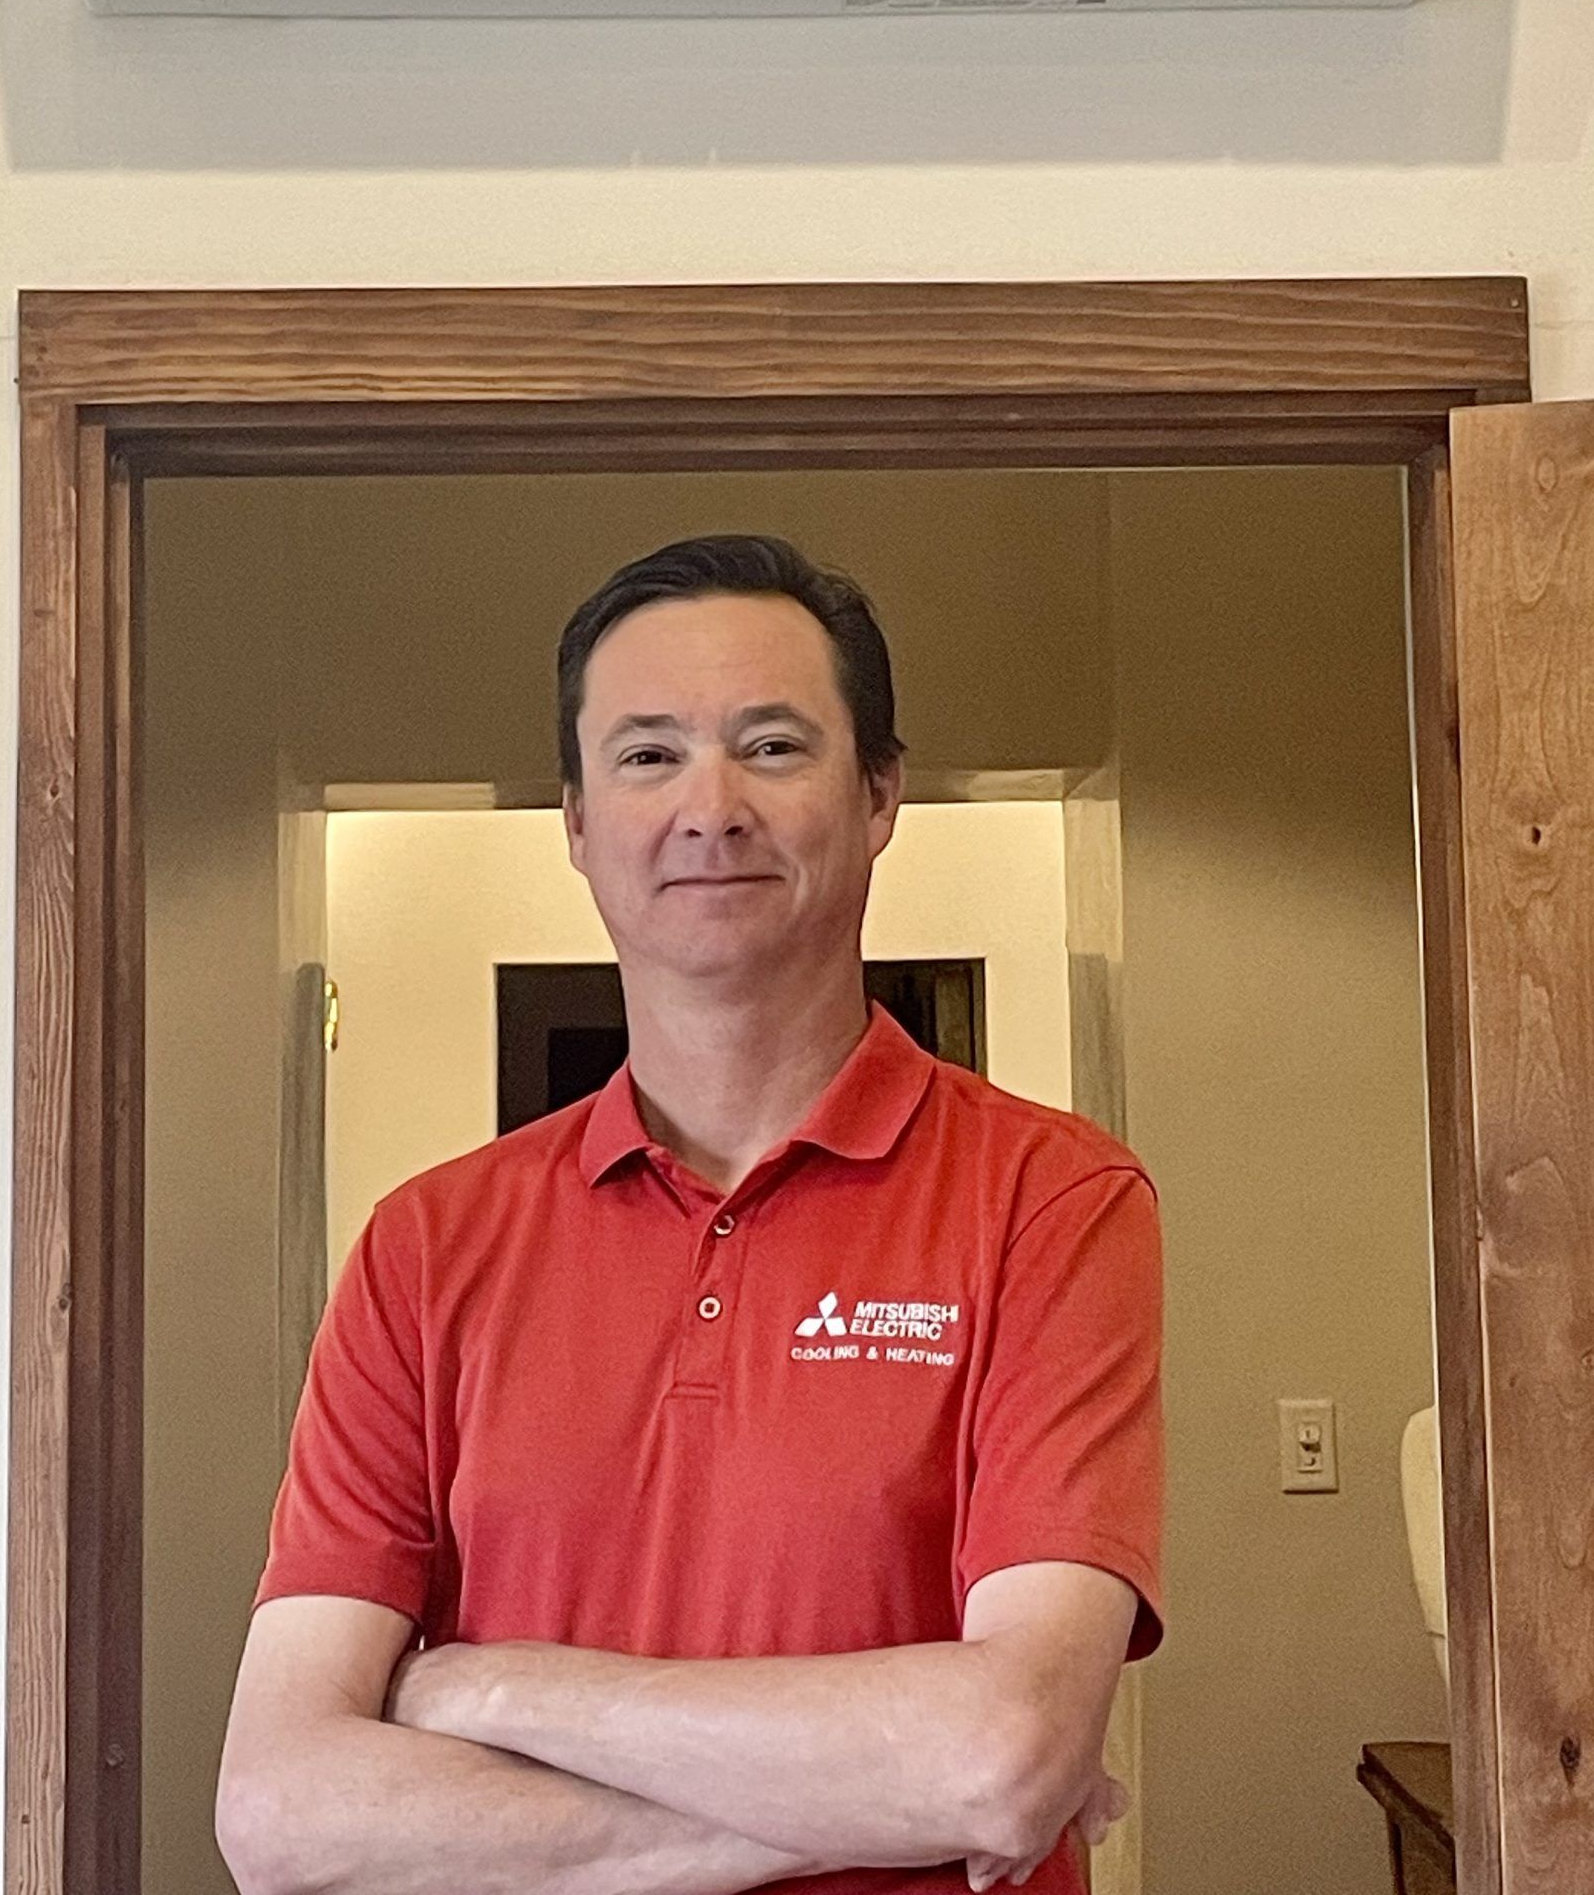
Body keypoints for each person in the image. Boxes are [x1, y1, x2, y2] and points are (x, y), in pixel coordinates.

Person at [216, 533, 1165, 1895]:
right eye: (648, 755)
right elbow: (280, 1812)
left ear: (880, 794)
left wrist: (486, 1687)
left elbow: (1000, 1758)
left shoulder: (1052, 1202)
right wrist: (871, 1802)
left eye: (772, 747)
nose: (710, 808)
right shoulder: (422, 1250)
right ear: (576, 821)